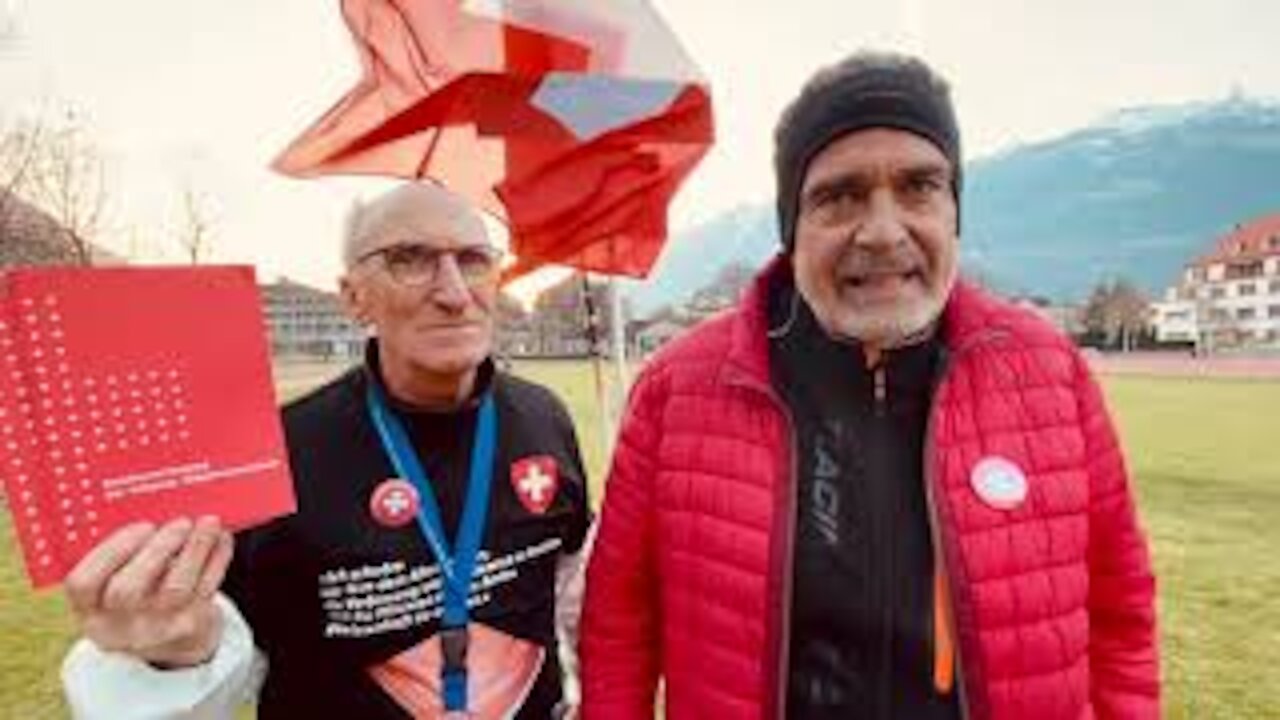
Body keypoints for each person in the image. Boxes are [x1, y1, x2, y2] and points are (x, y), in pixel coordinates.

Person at [581, 50, 1159, 720]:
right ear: (792, 228)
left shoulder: (1051, 373)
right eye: (840, 195)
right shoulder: (676, 391)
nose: (884, 232)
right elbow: (619, 627)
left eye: (919, 186)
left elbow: (1121, 614)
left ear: (953, 211)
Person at [61, 182, 593, 719]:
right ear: (354, 297)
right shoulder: (277, 454)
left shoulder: (543, 417)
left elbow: (570, 583)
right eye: (410, 259)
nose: (454, 292)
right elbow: (223, 654)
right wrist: (169, 657)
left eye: (474, 259)